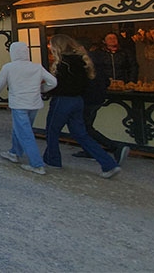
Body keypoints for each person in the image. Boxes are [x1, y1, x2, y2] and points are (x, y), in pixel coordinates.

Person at [43, 35, 122, 178]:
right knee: (81, 134)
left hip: (63, 101)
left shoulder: (62, 64)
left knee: (52, 131)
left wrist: (44, 90)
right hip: (78, 101)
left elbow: (60, 87)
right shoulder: (83, 60)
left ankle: (53, 160)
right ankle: (108, 163)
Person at [0, 42, 57, 174]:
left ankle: (37, 164)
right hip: (34, 103)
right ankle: (14, 152)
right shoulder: (36, 67)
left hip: (19, 104)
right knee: (21, 129)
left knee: (25, 133)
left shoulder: (9, 67)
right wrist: (41, 89)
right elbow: (53, 82)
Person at [82, 33, 135, 163]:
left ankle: (111, 150)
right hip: (99, 94)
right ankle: (94, 150)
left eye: (114, 38)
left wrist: (131, 81)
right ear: (104, 41)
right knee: (84, 126)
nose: (112, 40)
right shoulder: (99, 55)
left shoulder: (124, 53)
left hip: (95, 95)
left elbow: (133, 67)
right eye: (109, 38)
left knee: (84, 127)